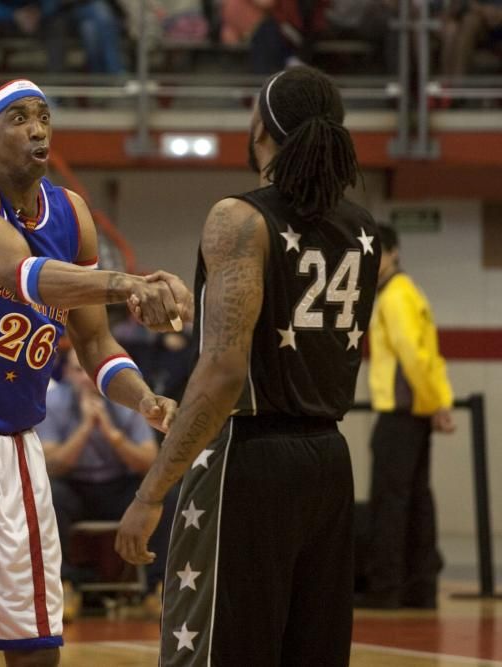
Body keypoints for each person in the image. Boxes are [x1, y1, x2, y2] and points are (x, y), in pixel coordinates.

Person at [0, 78, 188, 665]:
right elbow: (19, 270)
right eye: (18, 118)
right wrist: (127, 282)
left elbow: (94, 340)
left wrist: (144, 399)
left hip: (18, 442)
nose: (37, 127)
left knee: (36, 643)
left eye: (43, 116)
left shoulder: (71, 213)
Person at [115, 66, 378, 666]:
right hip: (329, 461)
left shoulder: (238, 217)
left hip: (248, 460)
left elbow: (223, 372)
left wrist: (153, 491)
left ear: (262, 128)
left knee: (213, 653)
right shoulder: (363, 228)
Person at [358, 223, 455, 610]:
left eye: (378, 252)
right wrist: (438, 401)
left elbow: (415, 358)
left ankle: (386, 588)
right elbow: (430, 355)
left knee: (391, 500)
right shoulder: (408, 291)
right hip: (413, 411)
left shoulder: (395, 296)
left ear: (394, 252)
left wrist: (436, 404)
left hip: (399, 412)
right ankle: (420, 587)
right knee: (416, 499)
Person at [39, 349, 172, 619]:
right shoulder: (51, 402)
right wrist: (86, 427)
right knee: (48, 493)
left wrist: (112, 435)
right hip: (73, 487)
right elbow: (52, 465)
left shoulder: (129, 403)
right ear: (66, 373)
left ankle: (156, 588)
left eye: (91, 372)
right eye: (79, 371)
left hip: (118, 485)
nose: (87, 379)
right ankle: (65, 586)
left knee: (165, 495)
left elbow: (149, 461)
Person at [441, 0, 502, 80]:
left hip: (496, 27)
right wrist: (481, 9)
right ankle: (453, 83)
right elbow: (457, 8)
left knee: (470, 21)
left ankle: (455, 83)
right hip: (478, 23)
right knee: (464, 24)